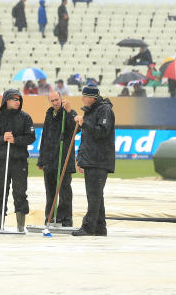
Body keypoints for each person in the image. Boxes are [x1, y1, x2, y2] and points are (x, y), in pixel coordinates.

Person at [0, 88, 36, 231]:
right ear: (6, 100)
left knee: (20, 192)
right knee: (0, 191)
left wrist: (16, 140)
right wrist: (2, 138)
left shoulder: (25, 117)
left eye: (19, 99)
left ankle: (20, 225)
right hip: (1, 160)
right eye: (14, 99)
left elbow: (31, 137)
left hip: (19, 161)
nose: (17, 102)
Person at [72, 84, 115, 237]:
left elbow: (102, 132)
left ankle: (88, 227)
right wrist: (81, 159)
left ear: (92, 98)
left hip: (99, 160)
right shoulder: (90, 111)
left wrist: (85, 123)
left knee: (93, 195)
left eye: (84, 96)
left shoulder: (105, 110)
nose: (82, 99)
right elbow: (86, 139)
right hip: (91, 159)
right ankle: (100, 227)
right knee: (97, 195)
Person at [37, 91, 77, 228]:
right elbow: (45, 138)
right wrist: (41, 160)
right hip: (49, 160)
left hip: (64, 159)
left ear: (61, 99)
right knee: (50, 192)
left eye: (57, 100)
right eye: (52, 100)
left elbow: (76, 129)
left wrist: (70, 111)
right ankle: (50, 218)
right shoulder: (49, 114)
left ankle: (65, 220)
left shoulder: (69, 112)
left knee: (65, 191)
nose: (55, 102)